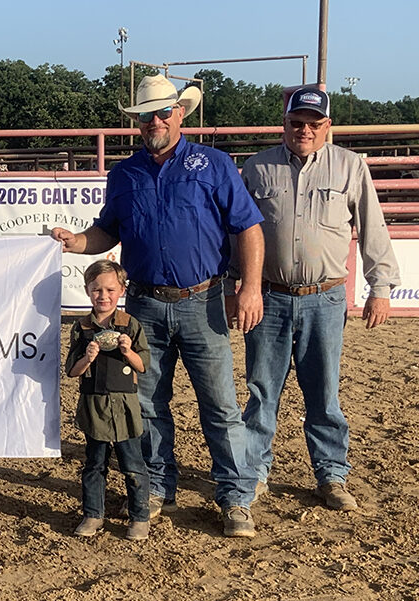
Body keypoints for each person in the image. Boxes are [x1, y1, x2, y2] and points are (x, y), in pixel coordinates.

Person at [51, 74, 265, 538]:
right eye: (146, 115)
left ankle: (235, 496)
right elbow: (108, 231)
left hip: (203, 300)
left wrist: (250, 287)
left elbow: (248, 227)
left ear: (180, 113)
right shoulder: (124, 174)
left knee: (220, 405)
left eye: (163, 112)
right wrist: (76, 242)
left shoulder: (213, 164)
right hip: (145, 302)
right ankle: (156, 486)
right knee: (147, 403)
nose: (155, 122)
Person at [236, 87, 400, 510]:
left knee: (324, 392)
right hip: (268, 297)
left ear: (328, 126)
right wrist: (235, 285)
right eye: (297, 122)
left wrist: (380, 287)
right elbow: (237, 232)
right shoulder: (256, 167)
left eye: (314, 123)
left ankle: (331, 474)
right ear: (285, 123)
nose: (304, 130)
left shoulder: (350, 166)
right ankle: (253, 472)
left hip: (325, 297)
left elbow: (372, 227)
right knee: (261, 390)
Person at [66, 260, 151, 541]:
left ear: (122, 290)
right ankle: (93, 514)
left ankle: (139, 517)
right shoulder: (81, 327)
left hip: (125, 407)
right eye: (96, 290)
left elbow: (143, 365)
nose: (103, 296)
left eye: (110, 290)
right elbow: (72, 371)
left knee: (133, 465)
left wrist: (128, 352)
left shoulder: (130, 324)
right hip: (94, 406)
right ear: (87, 291)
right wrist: (87, 358)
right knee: (94, 464)